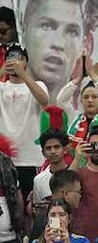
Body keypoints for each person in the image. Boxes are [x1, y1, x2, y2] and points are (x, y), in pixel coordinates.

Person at [0, 42, 49, 188]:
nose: (15, 61)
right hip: (4, 158)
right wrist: (2, 72)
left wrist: (23, 74)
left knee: (31, 204)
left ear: (26, 62)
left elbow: (44, 99)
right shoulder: (2, 87)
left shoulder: (38, 85)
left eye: (20, 58)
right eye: (10, 57)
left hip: (31, 157)